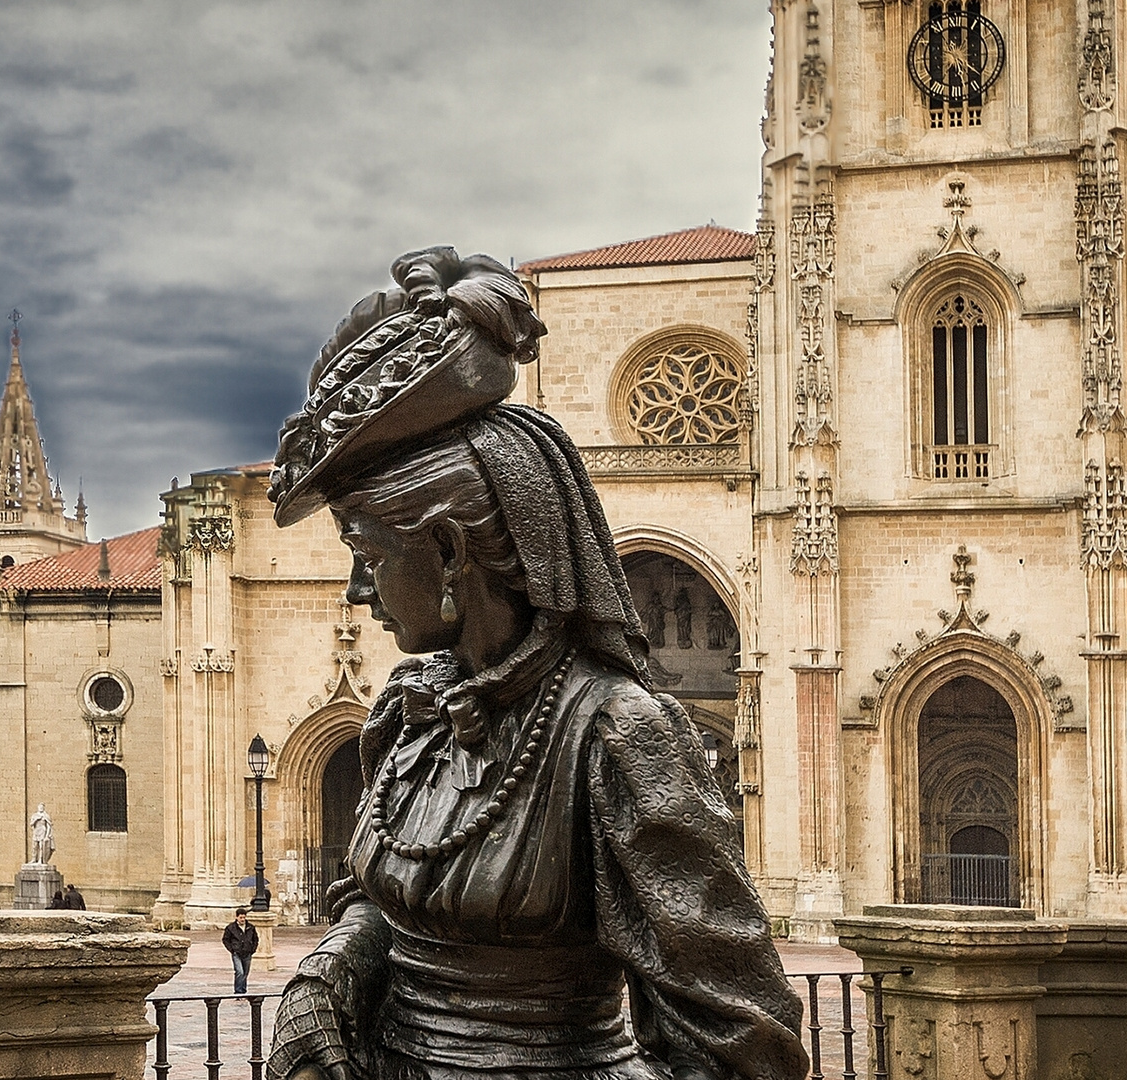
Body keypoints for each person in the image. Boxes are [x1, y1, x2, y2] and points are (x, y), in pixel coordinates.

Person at [264, 249, 809, 1080]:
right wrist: (332, 965)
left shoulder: (617, 734)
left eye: (368, 555)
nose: (357, 591)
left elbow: (746, 1046)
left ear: (451, 552)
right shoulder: (409, 712)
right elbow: (391, 902)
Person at [224, 907, 260, 995]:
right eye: (241, 917)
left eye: (244, 917)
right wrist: (232, 949)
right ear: (236, 917)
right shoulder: (231, 928)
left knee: (245, 972)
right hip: (236, 953)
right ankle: (238, 991)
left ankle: (243, 990)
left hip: (247, 952)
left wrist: (253, 949)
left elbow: (255, 939)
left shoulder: (250, 927)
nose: (242, 919)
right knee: (239, 971)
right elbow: (225, 939)